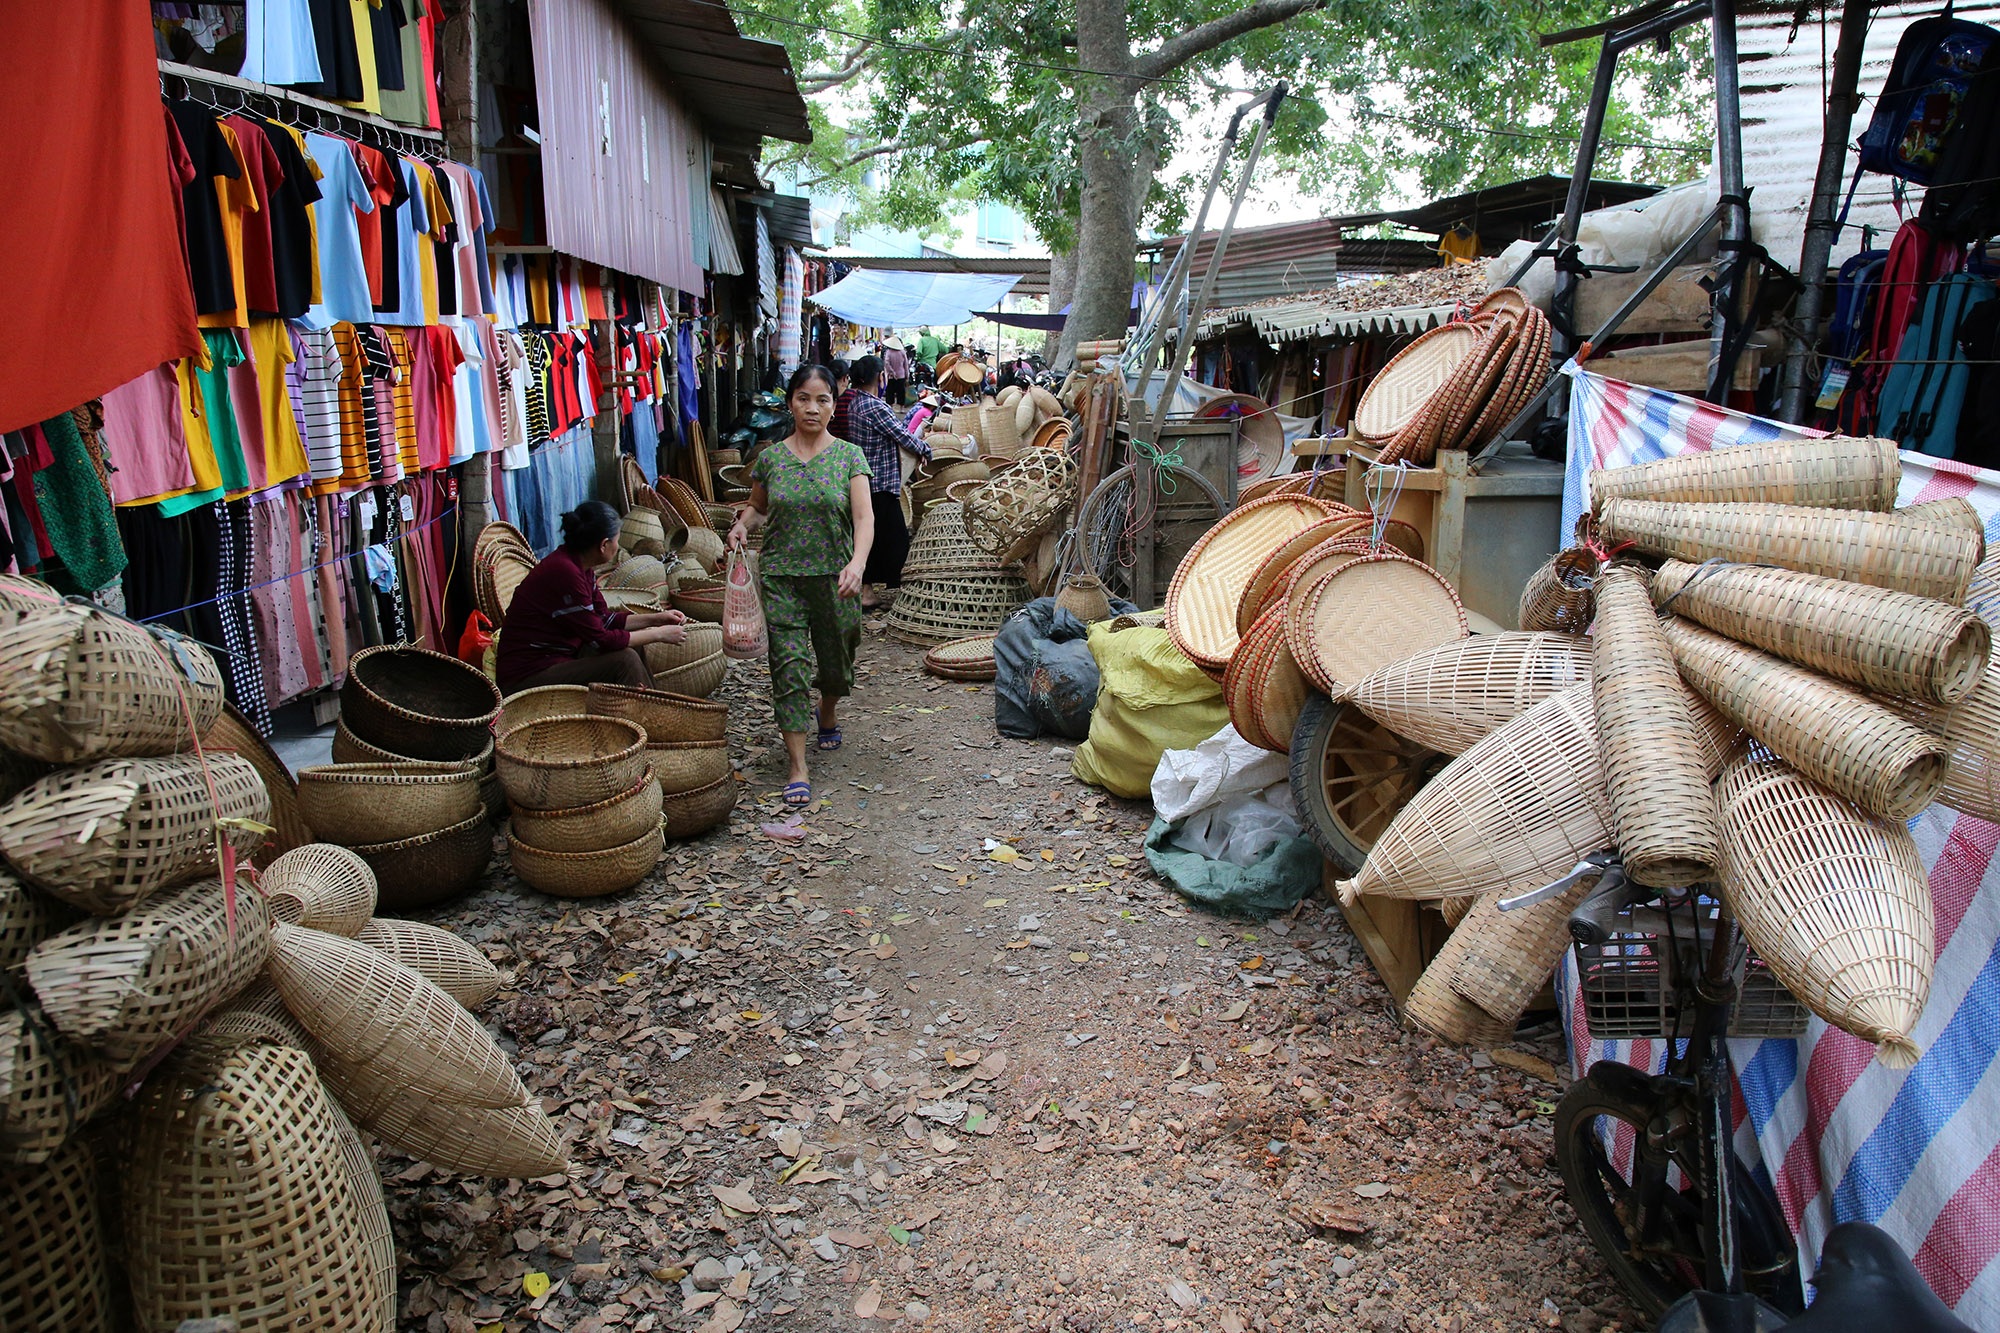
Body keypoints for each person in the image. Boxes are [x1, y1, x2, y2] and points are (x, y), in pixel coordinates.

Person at [729, 366, 874, 808]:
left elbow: (865, 519)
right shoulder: (771, 458)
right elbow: (757, 506)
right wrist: (741, 525)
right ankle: (797, 765)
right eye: (803, 398)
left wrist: (857, 564)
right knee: (788, 668)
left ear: (834, 403)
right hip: (781, 578)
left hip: (836, 580)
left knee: (837, 662)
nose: (812, 408)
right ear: (790, 401)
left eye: (822, 399)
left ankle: (827, 710)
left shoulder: (849, 456)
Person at [494, 501, 690, 694]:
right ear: (604, 545)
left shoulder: (580, 566)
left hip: (558, 657)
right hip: (526, 676)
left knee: (633, 646)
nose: (618, 546)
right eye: (617, 540)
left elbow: (604, 619)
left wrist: (657, 619)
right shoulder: (565, 572)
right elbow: (601, 640)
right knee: (625, 659)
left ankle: (655, 704)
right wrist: (659, 634)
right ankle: (647, 716)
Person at [837, 355, 930, 611]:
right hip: (879, 481)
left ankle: (867, 591)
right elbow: (901, 435)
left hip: (864, 480)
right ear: (880, 377)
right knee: (896, 539)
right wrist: (926, 449)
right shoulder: (874, 406)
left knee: (871, 539)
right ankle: (907, 594)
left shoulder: (855, 403)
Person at [881, 338, 911, 406]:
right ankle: (901, 407)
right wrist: (907, 376)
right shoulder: (903, 352)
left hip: (891, 376)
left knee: (890, 392)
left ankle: (890, 406)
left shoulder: (888, 352)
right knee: (901, 392)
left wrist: (891, 372)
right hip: (901, 375)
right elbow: (906, 365)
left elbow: (886, 363)